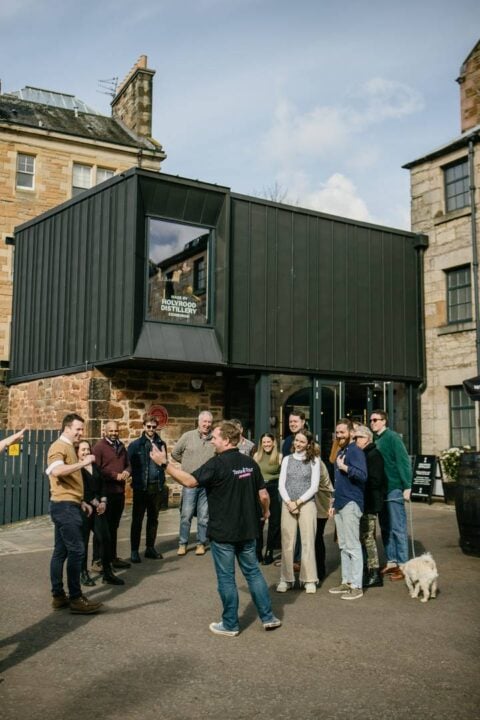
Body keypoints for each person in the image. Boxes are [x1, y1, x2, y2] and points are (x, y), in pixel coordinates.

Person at [154, 420, 281, 636]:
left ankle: (230, 624)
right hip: (248, 529)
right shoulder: (250, 464)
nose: (212, 441)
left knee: (226, 577)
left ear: (227, 440)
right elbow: (264, 495)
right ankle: (268, 617)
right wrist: (266, 511)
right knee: (253, 572)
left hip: (224, 532)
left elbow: (190, 481)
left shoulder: (217, 464)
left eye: (215, 437)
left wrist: (164, 464)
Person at [46, 413, 103, 614]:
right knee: (77, 551)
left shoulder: (68, 447)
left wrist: (80, 502)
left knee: (60, 552)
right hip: (64, 508)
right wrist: (83, 462)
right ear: (67, 428)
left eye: (81, 429)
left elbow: (67, 482)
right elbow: (57, 471)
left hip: (68, 504)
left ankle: (58, 596)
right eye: (78, 429)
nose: (81, 433)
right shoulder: (59, 446)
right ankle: (76, 599)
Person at [370, 409, 412, 581]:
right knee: (386, 527)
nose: (372, 422)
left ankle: (404, 565)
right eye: (371, 420)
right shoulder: (375, 439)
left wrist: (407, 486)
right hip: (381, 490)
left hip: (394, 488)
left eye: (376, 420)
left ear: (384, 421)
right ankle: (392, 561)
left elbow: (403, 461)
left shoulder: (393, 437)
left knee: (398, 528)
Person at [328, 418, 367, 600]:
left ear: (351, 433)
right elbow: (339, 482)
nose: (339, 435)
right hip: (341, 503)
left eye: (342, 432)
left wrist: (345, 467)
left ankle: (357, 585)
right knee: (343, 546)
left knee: (352, 545)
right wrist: (333, 502)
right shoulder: (341, 450)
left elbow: (362, 475)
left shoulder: (356, 451)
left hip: (352, 503)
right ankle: (346, 581)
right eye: (337, 432)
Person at [277, 430, 320, 594]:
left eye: (302, 441)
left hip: (306, 504)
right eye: (296, 441)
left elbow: (314, 486)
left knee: (308, 542)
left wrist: (299, 502)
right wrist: (289, 502)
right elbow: (282, 483)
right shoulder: (287, 460)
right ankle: (286, 579)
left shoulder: (314, 460)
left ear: (308, 444)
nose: (298, 444)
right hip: (288, 504)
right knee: (287, 542)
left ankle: (309, 579)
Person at [77, 440, 124, 586]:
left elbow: (103, 484)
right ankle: (83, 573)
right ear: (77, 452)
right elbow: (82, 490)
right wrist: (96, 502)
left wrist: (103, 501)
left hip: (99, 509)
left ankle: (107, 572)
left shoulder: (95, 466)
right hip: (85, 510)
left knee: (105, 538)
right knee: (83, 543)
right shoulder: (76, 469)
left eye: (87, 449)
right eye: (82, 450)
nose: (85, 452)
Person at [171, 410, 215, 556]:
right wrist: (186, 465)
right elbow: (175, 453)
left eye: (209, 422)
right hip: (189, 483)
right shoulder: (188, 436)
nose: (207, 425)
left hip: (206, 485)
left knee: (204, 517)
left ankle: (201, 543)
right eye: (204, 422)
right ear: (199, 421)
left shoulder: (214, 438)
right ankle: (182, 543)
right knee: (186, 515)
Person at [92, 421, 131, 570]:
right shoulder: (99, 447)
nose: (114, 433)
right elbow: (97, 470)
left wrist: (128, 471)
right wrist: (115, 475)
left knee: (114, 528)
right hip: (105, 494)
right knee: (101, 529)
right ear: (105, 431)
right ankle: (97, 561)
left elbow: (128, 463)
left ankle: (112, 557)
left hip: (119, 493)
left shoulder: (121, 446)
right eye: (111, 431)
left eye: (116, 431)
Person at [128, 416, 167, 563]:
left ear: (157, 427)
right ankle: (134, 551)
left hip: (156, 487)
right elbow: (129, 464)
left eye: (153, 426)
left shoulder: (161, 443)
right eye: (148, 426)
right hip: (141, 488)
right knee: (137, 520)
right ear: (144, 426)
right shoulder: (135, 445)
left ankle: (150, 548)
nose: (151, 429)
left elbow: (164, 463)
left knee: (153, 519)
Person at [353, 425, 387, 588]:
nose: (355, 440)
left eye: (358, 437)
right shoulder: (365, 454)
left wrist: (359, 481)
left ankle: (374, 573)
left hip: (370, 503)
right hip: (364, 502)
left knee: (368, 538)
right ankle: (368, 570)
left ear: (367, 438)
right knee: (363, 537)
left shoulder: (373, 455)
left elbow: (375, 480)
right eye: (355, 437)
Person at [254, 433, 282, 565]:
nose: (266, 444)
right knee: (259, 522)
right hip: (260, 489)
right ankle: (258, 551)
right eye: (264, 442)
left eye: (268, 442)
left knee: (274, 523)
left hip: (274, 488)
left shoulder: (279, 456)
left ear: (273, 442)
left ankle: (270, 551)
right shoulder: (256, 456)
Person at [314, 457, 334, 584]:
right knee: (317, 537)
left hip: (320, 505)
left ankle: (319, 570)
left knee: (316, 537)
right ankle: (318, 570)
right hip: (321, 504)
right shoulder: (319, 462)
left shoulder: (317, 463)